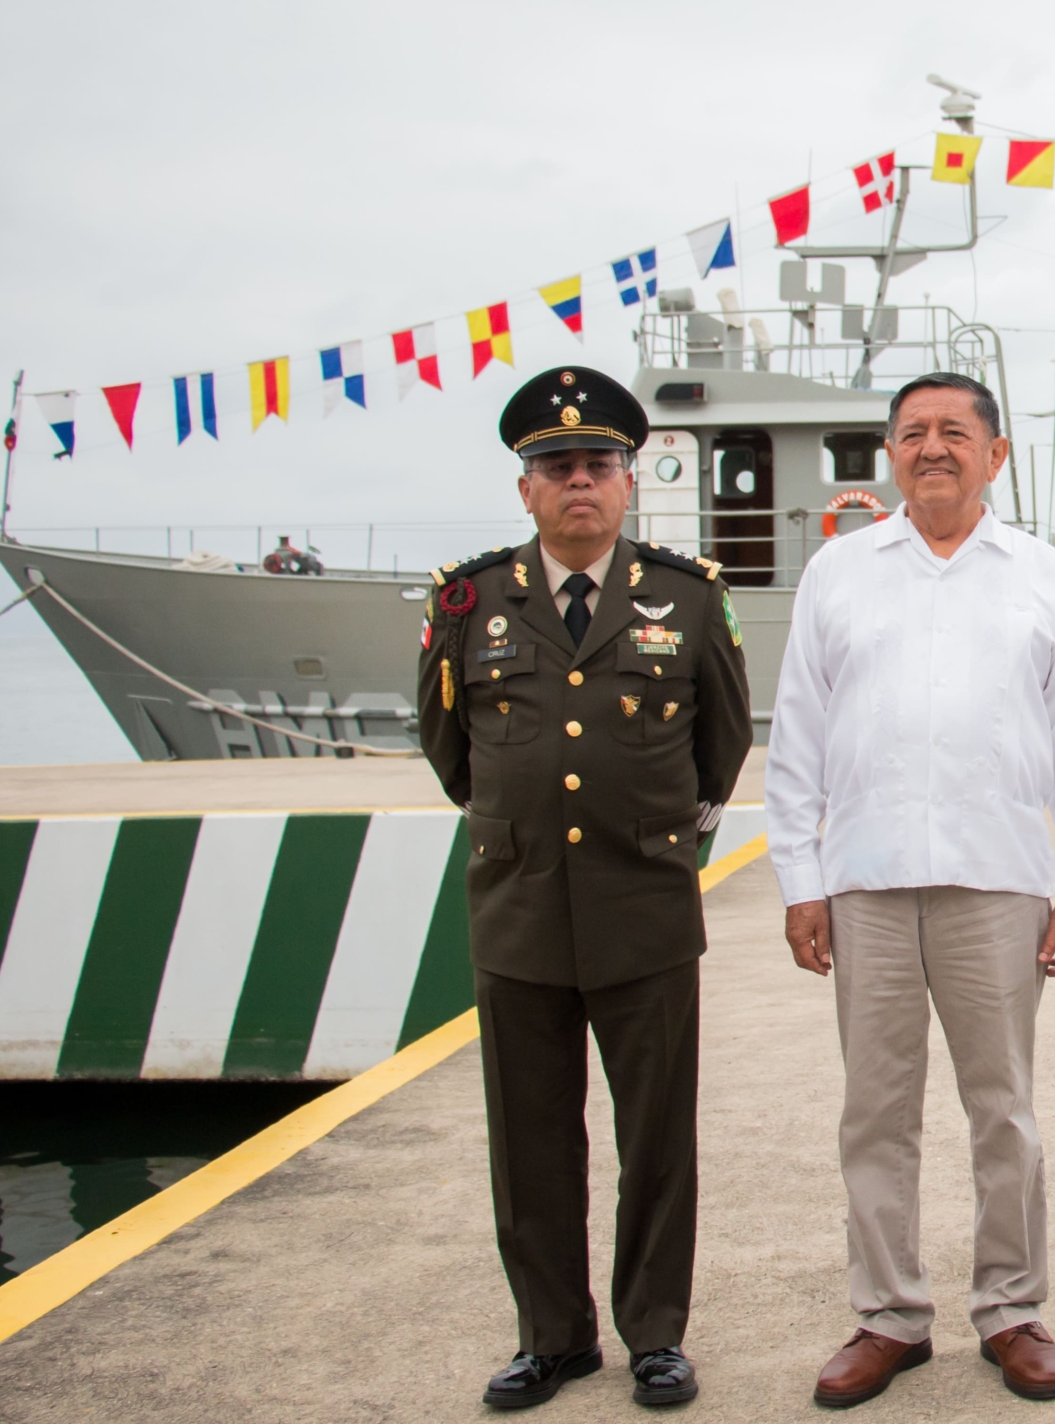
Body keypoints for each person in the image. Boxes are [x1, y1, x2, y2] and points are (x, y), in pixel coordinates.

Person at [770, 371, 1055, 1409]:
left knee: (1001, 1106)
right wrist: (800, 876)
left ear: (995, 455)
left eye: (954, 432)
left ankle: (1011, 1307)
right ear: (889, 454)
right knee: (874, 1111)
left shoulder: (1044, 575)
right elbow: (798, 737)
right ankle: (887, 1314)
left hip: (998, 878)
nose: (932, 448)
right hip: (866, 878)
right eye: (913, 432)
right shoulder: (837, 572)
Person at [417, 365, 753, 1410]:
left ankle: (654, 1334)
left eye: (597, 464)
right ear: (526, 488)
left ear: (628, 480)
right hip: (517, 909)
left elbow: (722, 745)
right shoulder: (471, 600)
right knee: (529, 1138)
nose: (578, 482)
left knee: (656, 1135)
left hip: (643, 907)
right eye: (555, 466)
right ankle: (553, 1337)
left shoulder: (687, 597)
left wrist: (650, 833)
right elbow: (450, 749)